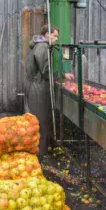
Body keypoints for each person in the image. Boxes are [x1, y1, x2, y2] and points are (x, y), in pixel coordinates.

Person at [25, 24, 74, 157]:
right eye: (55, 35)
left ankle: (42, 150)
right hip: (38, 88)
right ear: (47, 34)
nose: (56, 39)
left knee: (41, 120)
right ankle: (41, 154)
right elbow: (46, 71)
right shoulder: (42, 47)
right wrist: (62, 75)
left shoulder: (41, 46)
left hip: (37, 86)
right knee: (41, 121)